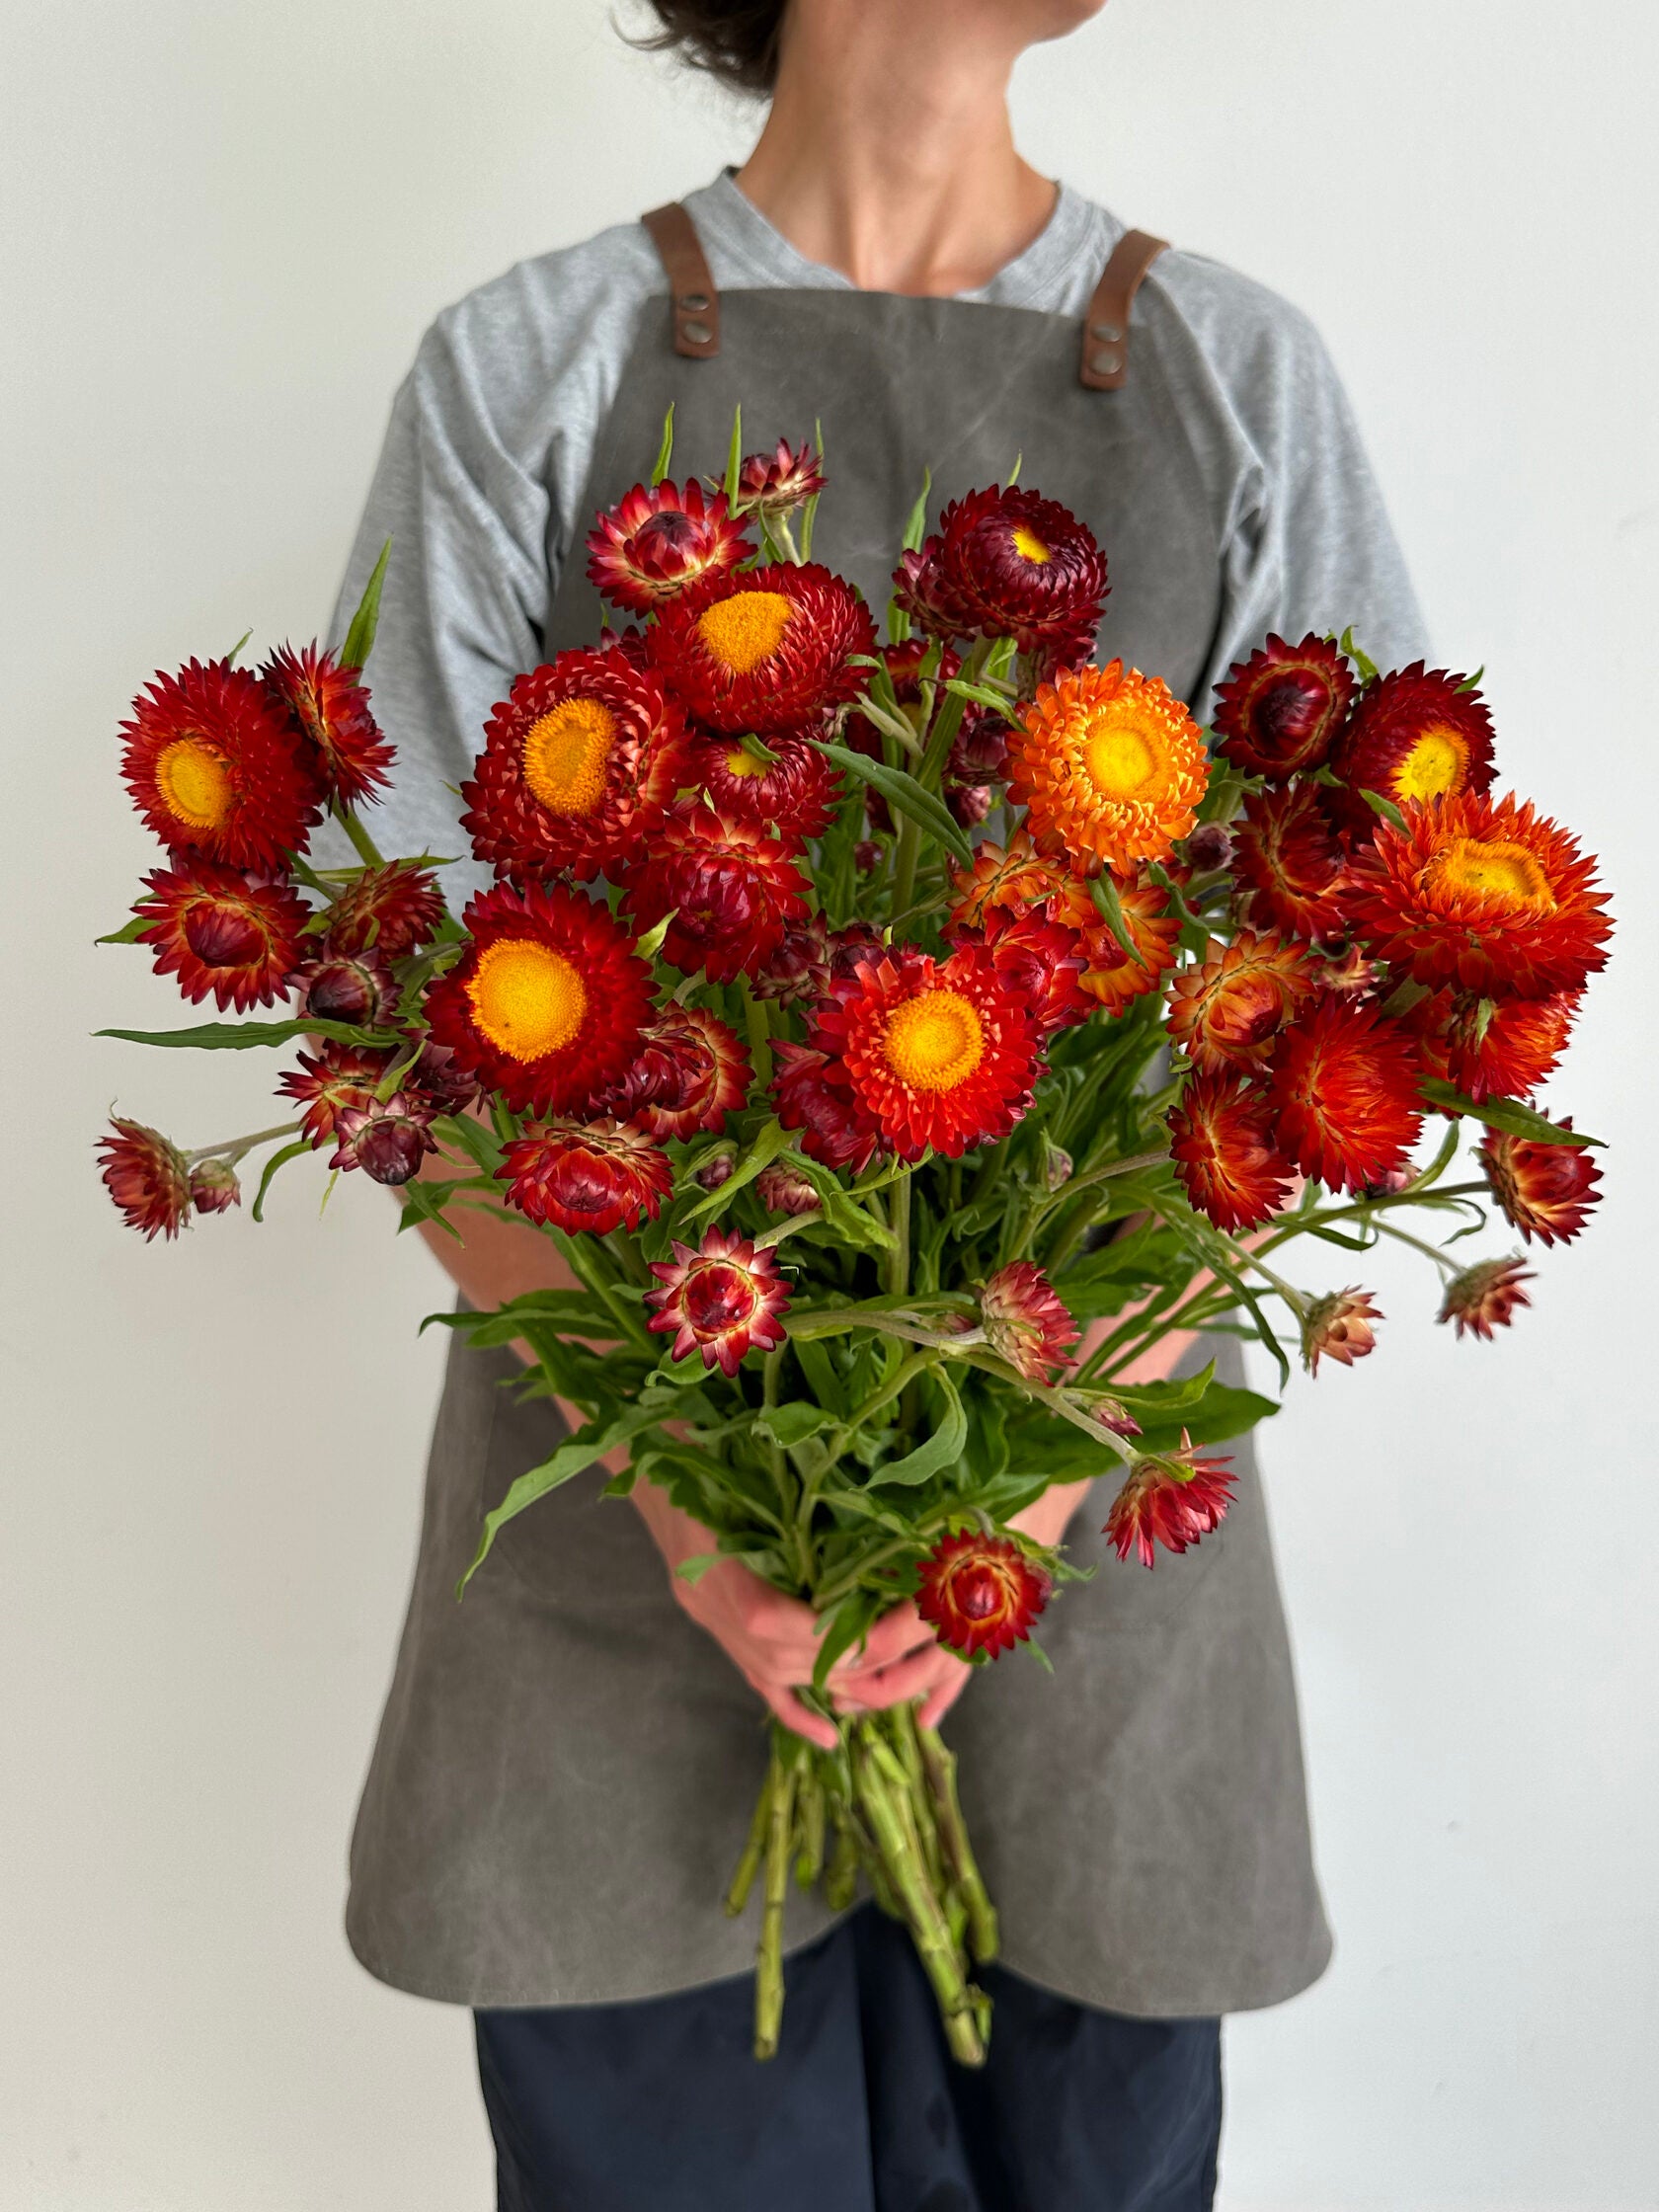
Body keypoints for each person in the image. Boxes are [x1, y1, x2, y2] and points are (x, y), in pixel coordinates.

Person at [331, 1, 1427, 2204]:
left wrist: (1014, 1488)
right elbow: (397, 1007)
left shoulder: (1237, 374)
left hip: (1089, 1546)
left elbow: (1346, 988)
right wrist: (681, 1488)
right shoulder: (522, 364)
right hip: (616, 1561)